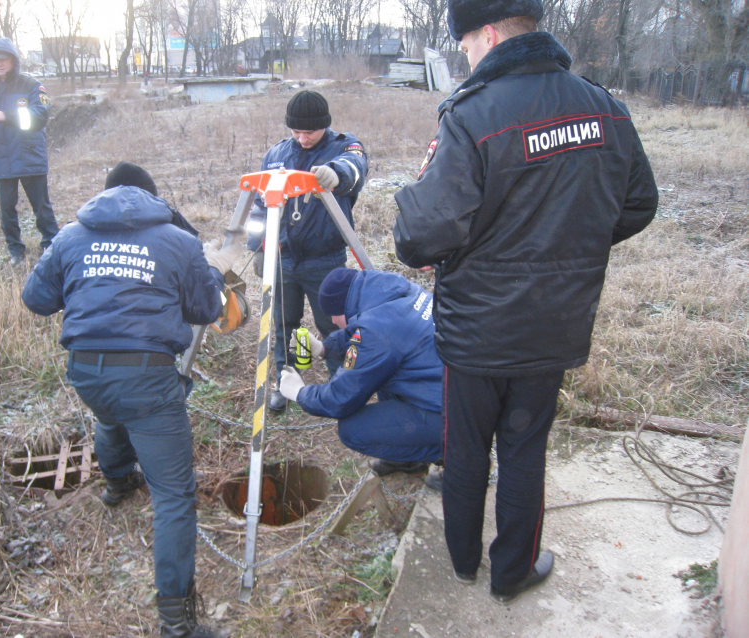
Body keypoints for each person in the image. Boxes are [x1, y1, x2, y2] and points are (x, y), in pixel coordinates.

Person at [393, 0, 659, 604]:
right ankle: (512, 569)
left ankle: (463, 563)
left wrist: (420, 208)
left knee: (464, 451)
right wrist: (572, 242)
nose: (465, 57)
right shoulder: (603, 106)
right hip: (552, 325)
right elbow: (639, 204)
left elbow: (419, 237)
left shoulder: (472, 113)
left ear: (488, 33)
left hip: (476, 331)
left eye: (464, 46)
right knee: (523, 449)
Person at [22, 162, 244, 638]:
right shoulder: (177, 240)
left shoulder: (69, 237)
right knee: (173, 496)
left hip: (86, 371)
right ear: (153, 198)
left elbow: (36, 299)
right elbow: (207, 309)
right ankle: (177, 623)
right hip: (146, 378)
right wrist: (202, 264)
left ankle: (118, 483)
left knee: (110, 413)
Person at [246, 90, 368, 412]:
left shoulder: (343, 146)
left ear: (323, 126)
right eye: (295, 131)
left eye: (309, 132)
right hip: (283, 259)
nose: (301, 138)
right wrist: (258, 248)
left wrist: (336, 174)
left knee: (333, 326)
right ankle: (285, 382)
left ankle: (341, 387)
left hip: (324, 260)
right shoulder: (276, 155)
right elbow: (259, 207)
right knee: (285, 325)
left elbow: (355, 168)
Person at [278, 268, 444, 475]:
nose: (332, 322)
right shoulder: (395, 291)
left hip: (450, 414)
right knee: (384, 376)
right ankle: (409, 456)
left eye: (333, 315)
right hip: (453, 389)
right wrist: (324, 348)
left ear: (342, 309)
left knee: (353, 431)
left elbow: (340, 398)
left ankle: (452, 454)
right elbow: (366, 334)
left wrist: (300, 393)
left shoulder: (376, 331)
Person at [0, 38, 58, 267]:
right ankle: (16, 252)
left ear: (13, 60)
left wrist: (7, 116)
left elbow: (39, 116)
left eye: (3, 59)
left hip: (28, 156)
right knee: (6, 210)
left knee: (41, 207)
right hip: (0, 159)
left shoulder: (32, 85)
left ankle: (51, 247)